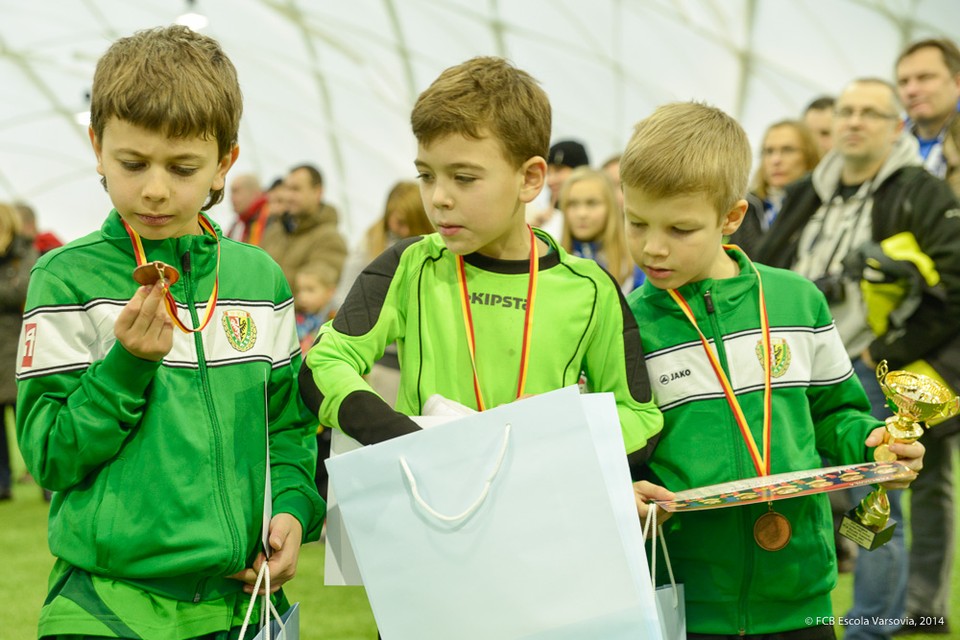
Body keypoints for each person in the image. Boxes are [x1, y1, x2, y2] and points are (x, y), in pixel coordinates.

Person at [15, 25, 324, 639]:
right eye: (133, 163)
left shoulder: (258, 277)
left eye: (183, 167)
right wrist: (126, 364)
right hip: (103, 609)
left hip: (237, 609)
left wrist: (293, 507)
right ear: (97, 147)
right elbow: (49, 455)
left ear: (224, 164)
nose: (155, 187)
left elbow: (288, 426)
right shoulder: (64, 278)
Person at [623, 100, 925, 638]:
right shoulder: (625, 324)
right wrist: (631, 492)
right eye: (636, 222)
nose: (652, 246)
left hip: (799, 593)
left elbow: (836, 413)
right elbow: (619, 449)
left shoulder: (795, 301)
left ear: (731, 218)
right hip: (688, 597)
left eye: (680, 228)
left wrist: (876, 439)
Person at [300, 54, 662, 468]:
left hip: (542, 509)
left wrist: (558, 434)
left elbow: (639, 417)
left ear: (529, 179)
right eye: (427, 175)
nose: (438, 198)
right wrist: (402, 435)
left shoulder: (590, 287)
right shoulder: (408, 265)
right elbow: (322, 365)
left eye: (464, 178)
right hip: (432, 504)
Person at [758, 78, 960, 640]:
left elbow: (956, 284)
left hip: (872, 374)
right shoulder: (809, 191)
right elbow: (762, 266)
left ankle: (873, 625)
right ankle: (815, 617)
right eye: (845, 110)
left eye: (870, 113)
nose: (853, 121)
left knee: (876, 509)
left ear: (896, 127)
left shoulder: (918, 190)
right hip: (800, 368)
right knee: (810, 504)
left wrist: (886, 352)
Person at [894, 41, 960, 634]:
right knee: (913, 462)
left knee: (930, 470)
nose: (914, 88)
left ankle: (923, 605)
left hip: (950, 336)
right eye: (904, 79)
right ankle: (912, 604)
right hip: (909, 337)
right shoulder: (895, 152)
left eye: (926, 77)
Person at [333, 180, 434, 408]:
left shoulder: (433, 250)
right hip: (380, 362)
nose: (403, 230)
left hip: (418, 362)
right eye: (398, 222)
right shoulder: (369, 243)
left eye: (410, 223)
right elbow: (344, 298)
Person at [729, 119, 820, 255]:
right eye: (769, 151)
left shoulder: (820, 208)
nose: (776, 160)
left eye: (787, 150)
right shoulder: (746, 205)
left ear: (809, 155)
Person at [260, 163, 348, 291]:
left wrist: (263, 278)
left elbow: (313, 287)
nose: (288, 196)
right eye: (287, 189)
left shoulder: (330, 239)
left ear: (317, 192)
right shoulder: (275, 231)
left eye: (296, 189)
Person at [0, 202, 37, 501]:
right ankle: (3, 484)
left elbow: (22, 290)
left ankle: (44, 480)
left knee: (27, 416)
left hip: (20, 348)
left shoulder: (26, 255)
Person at [557, 166, 634, 291]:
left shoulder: (631, 264)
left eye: (592, 203)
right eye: (572, 204)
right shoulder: (549, 260)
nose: (582, 213)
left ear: (610, 206)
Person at [895, 38, 960, 178]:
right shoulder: (889, 141)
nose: (911, 90)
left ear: (957, 83)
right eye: (903, 82)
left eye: (925, 78)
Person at [526, 139, 590, 239]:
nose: (550, 181)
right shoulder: (544, 221)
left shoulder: (600, 219)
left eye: (558, 170)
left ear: (581, 172)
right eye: (548, 173)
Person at [227, 172, 269, 245]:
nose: (231, 198)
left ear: (254, 193)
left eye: (236, 191)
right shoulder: (239, 223)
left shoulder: (269, 218)